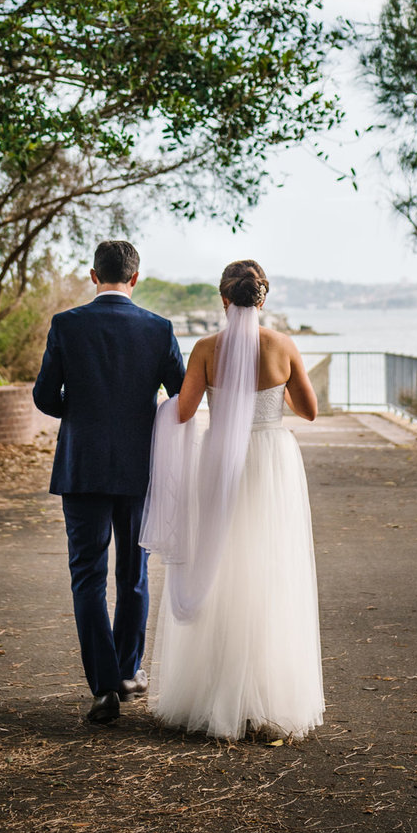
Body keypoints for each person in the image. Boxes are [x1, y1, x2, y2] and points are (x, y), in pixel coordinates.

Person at [141, 258, 324, 740]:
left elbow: (182, 412)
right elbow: (309, 411)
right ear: (264, 297)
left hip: (220, 459)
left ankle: (213, 694)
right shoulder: (283, 346)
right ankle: (268, 698)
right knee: (269, 569)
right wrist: (273, 393)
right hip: (271, 460)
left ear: (223, 299)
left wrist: (153, 408)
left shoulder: (205, 348)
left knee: (220, 565)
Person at [32, 239, 185, 724]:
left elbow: (43, 396)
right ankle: (127, 671)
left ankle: (103, 689)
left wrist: (77, 414)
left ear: (94, 276)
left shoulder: (67, 324)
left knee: (87, 576)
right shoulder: (158, 329)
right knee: (133, 572)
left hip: (82, 467)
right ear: (134, 279)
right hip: (139, 470)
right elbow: (182, 396)